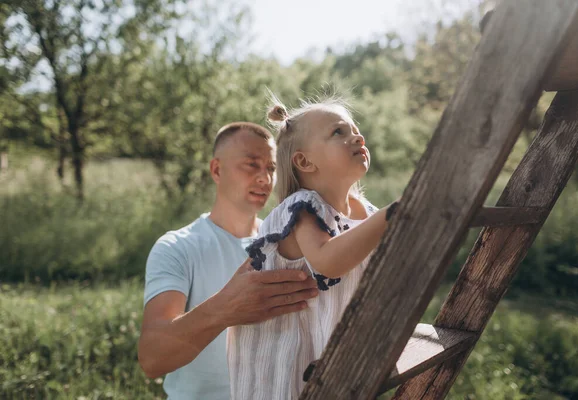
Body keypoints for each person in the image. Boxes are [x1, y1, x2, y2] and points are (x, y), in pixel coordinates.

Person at [138, 122, 320, 400]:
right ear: (216, 170)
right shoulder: (177, 247)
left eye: (271, 168)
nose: (264, 178)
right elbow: (152, 358)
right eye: (251, 164)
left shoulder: (291, 243)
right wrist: (226, 308)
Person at [227, 96, 393, 399]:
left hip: (331, 347)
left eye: (355, 129)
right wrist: (389, 217)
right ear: (304, 162)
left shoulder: (364, 209)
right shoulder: (301, 209)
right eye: (338, 132)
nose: (357, 136)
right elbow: (328, 261)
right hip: (285, 351)